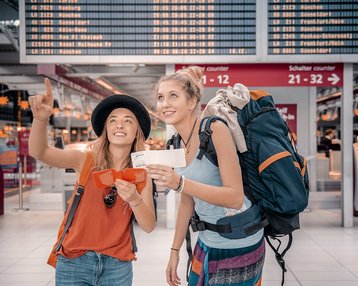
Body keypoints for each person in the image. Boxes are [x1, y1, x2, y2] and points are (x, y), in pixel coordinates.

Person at [28, 78, 156, 286]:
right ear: (105, 129)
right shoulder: (85, 160)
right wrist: (41, 119)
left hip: (118, 264)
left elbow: (149, 225)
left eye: (128, 120)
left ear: (136, 132)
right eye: (113, 120)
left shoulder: (141, 174)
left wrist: (134, 199)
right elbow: (40, 152)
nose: (119, 124)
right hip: (74, 261)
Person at [147, 66, 265, 286]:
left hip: (239, 240)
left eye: (173, 96)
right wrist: (175, 250)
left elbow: (235, 197)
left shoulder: (214, 130)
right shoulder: (175, 143)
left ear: (191, 102)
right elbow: (186, 201)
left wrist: (180, 183)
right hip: (206, 239)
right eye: (161, 97)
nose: (165, 103)